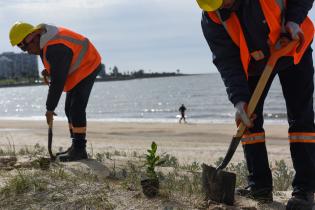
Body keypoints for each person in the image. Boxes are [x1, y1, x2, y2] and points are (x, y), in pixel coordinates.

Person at [196, 0, 315, 209]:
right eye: (217, 6)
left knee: (301, 120)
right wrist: (239, 100)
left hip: (293, 46)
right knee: (248, 120)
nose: (223, 8)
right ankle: (259, 187)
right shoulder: (212, 17)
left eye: (224, 2)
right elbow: (226, 60)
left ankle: (305, 189)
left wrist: (294, 20)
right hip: (255, 64)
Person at [9, 22, 102, 162]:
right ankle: (75, 146)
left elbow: (58, 82)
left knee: (76, 108)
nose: (26, 51)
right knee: (68, 108)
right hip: (78, 68)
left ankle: (79, 150)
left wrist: (50, 109)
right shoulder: (44, 43)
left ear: (32, 36)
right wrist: (49, 71)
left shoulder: (55, 46)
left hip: (88, 64)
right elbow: (59, 67)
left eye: (24, 46)